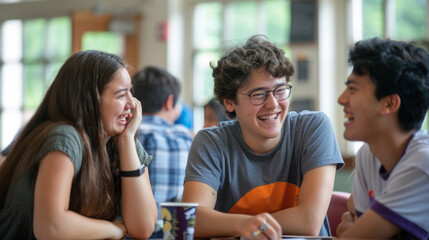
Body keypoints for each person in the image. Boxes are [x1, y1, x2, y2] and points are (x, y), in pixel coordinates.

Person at [182, 35, 344, 239]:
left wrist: (245, 225)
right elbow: (191, 220)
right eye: (258, 94)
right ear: (230, 102)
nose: (273, 104)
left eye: (280, 90)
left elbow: (308, 221)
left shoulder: (312, 128)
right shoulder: (211, 142)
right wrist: (245, 224)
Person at [0, 50, 157, 239]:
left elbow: (143, 228)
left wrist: (126, 141)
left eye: (131, 92)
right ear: (90, 98)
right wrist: (116, 229)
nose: (133, 104)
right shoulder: (65, 136)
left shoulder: (120, 139)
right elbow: (50, 227)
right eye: (121, 95)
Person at [336, 38, 429, 239]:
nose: (341, 99)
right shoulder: (368, 154)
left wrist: (351, 230)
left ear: (389, 104)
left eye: (352, 89)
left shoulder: (423, 163)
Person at [132, 66, 194, 238]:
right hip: (173, 231)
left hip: (133, 230)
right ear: (169, 102)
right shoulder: (186, 138)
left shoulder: (130, 135)